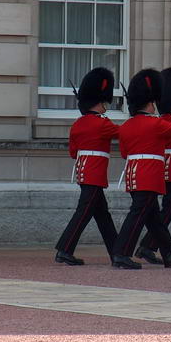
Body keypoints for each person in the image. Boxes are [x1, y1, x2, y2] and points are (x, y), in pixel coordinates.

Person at [112, 68, 171, 270]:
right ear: (149, 102)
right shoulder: (156, 124)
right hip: (149, 175)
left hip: (133, 174)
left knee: (153, 215)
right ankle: (121, 253)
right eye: (153, 102)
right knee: (137, 215)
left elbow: (124, 153)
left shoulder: (126, 126)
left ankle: (169, 249)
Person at [54, 67, 120, 266]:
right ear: (100, 102)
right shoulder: (103, 123)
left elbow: (73, 152)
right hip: (95, 172)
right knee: (83, 212)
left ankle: (117, 252)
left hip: (83, 171)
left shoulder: (78, 124)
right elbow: (125, 134)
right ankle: (64, 249)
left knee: (103, 215)